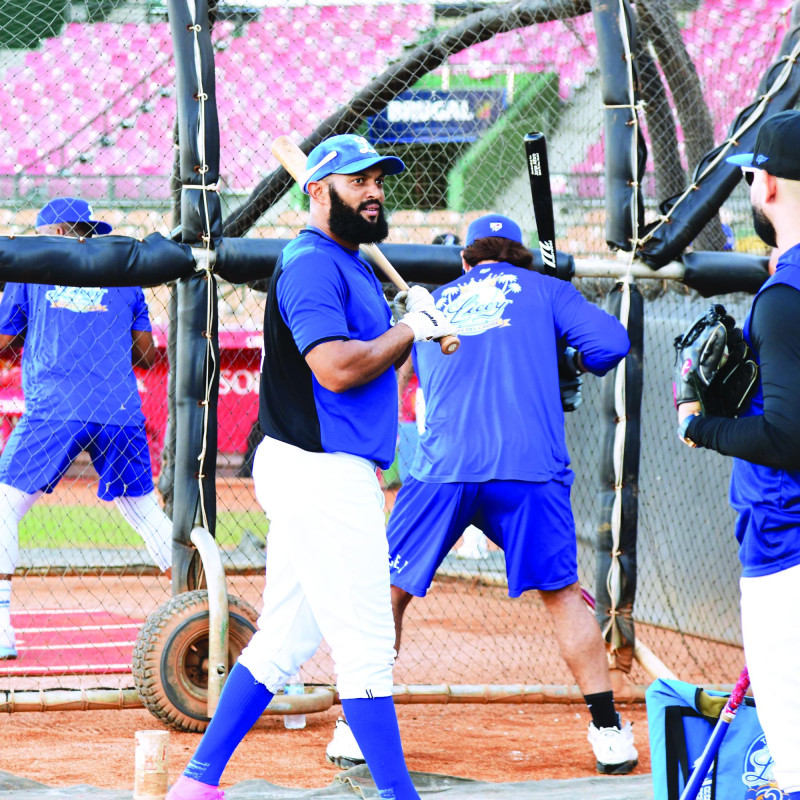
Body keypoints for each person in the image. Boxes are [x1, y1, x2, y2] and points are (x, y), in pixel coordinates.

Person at [166, 134, 454, 800]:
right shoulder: (311, 265)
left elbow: (365, 365)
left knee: (284, 640)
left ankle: (198, 782)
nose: (375, 190)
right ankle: (397, 795)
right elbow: (337, 368)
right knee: (367, 644)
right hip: (322, 470)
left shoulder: (347, 262)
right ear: (318, 189)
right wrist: (413, 328)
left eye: (379, 179)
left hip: (321, 467)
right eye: (358, 181)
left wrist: (406, 324)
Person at [328, 213, 636, 775]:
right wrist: (568, 357)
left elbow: (412, 367)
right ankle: (609, 732)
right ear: (517, 254)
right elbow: (612, 345)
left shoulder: (437, 301)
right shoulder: (548, 290)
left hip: (445, 468)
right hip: (528, 469)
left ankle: (355, 726)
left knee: (388, 592)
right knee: (562, 594)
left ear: (466, 259)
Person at [677, 110, 800, 798]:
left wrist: (703, 426)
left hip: (788, 548)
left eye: (753, 174)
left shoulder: (784, 296)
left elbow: (788, 438)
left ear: (771, 186)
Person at [0, 197, 172, 660]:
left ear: (54, 233)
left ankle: (0, 629)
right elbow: (147, 356)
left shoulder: (29, 270)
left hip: (54, 407)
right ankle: (199, 608)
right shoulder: (122, 272)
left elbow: (2, 341)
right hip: (117, 408)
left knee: (3, 506)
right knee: (144, 513)